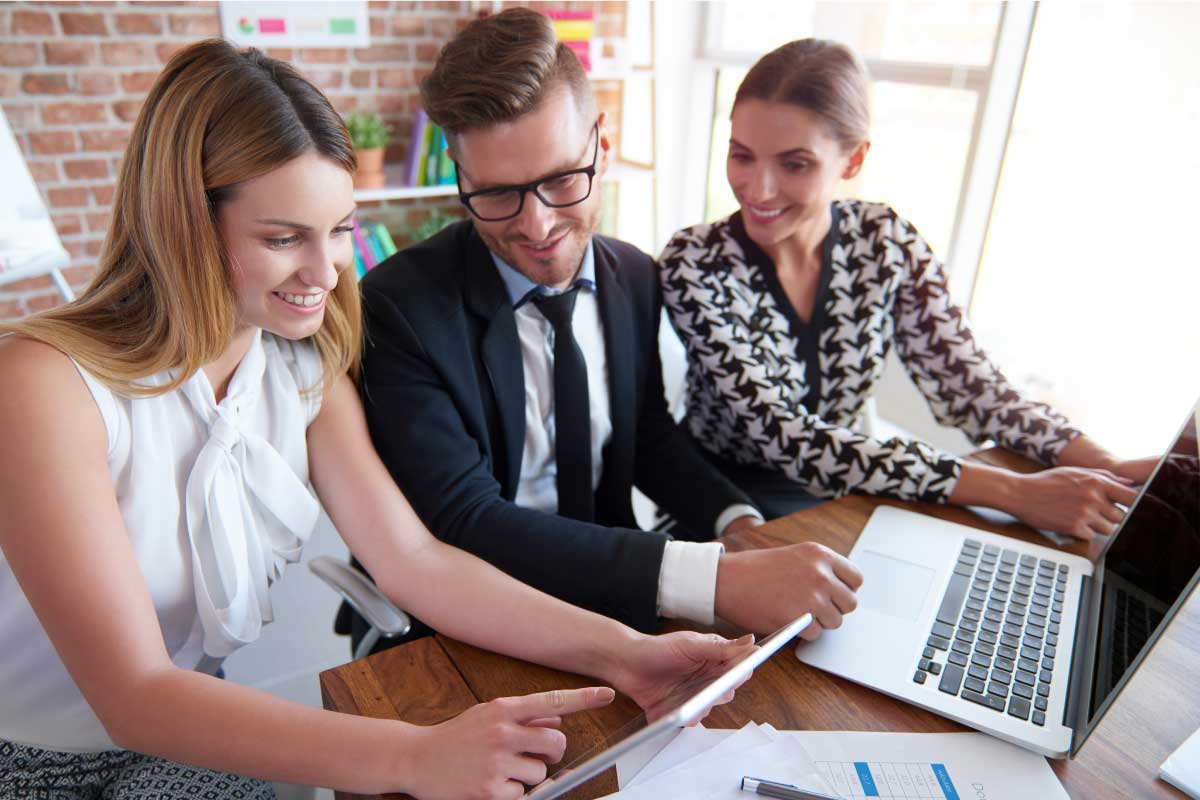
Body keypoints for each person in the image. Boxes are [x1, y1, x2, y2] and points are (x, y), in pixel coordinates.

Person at [0, 39, 756, 800]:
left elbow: (415, 561)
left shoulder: (301, 366)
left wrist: (622, 653)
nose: (327, 272)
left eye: (337, 229)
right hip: (32, 750)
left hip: (187, 715)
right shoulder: (46, 384)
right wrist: (415, 755)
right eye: (283, 237)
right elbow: (131, 695)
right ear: (184, 224)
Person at [352, 9, 862, 650]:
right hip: (473, 623)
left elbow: (645, 434)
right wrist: (711, 579)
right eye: (497, 194)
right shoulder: (399, 309)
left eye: (563, 180)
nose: (536, 226)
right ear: (459, 173)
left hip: (622, 594)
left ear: (602, 143)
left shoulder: (635, 275)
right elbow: (464, 518)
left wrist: (739, 524)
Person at [658, 38, 1158, 538]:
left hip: (855, 494)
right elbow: (787, 438)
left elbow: (968, 383)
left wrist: (1106, 463)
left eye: (794, 164)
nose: (759, 189)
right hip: (724, 507)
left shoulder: (885, 240)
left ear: (853, 161)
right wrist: (1013, 491)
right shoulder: (695, 262)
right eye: (742, 156)